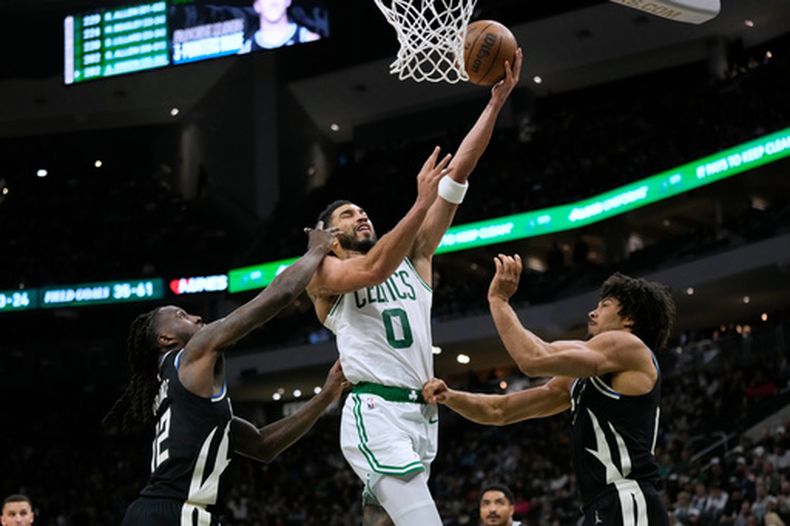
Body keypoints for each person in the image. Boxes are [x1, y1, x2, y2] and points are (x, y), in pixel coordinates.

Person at [306, 50, 522, 526]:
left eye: (363, 211)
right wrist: (419, 201)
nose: (361, 215)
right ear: (328, 236)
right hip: (374, 410)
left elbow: (456, 177)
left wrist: (495, 103)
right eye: (348, 214)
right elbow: (373, 270)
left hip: (424, 412)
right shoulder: (325, 276)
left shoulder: (416, 258)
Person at [103, 224, 348, 525]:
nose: (196, 317)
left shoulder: (181, 394)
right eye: (181, 315)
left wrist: (326, 395)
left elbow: (262, 445)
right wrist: (316, 249)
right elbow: (279, 294)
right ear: (165, 339)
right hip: (175, 514)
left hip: (164, 513)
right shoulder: (191, 354)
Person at [424, 255, 676, 526]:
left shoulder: (628, 345)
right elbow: (501, 411)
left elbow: (533, 358)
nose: (592, 313)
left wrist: (498, 301)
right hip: (601, 504)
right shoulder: (580, 380)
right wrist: (449, 396)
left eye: (604, 306)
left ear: (628, 319)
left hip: (627, 498)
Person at [240, 0, 320, 52]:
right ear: (257, 6)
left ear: (288, 1)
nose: (272, 2)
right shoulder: (246, 50)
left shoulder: (309, 39)